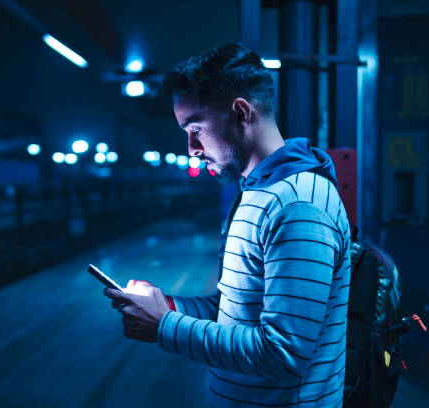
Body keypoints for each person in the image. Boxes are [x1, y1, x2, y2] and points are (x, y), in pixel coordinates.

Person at [105, 43, 352, 407]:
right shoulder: (259, 193)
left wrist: (163, 326)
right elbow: (237, 311)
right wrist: (165, 306)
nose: (191, 148)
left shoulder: (297, 205)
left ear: (240, 112)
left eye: (196, 129)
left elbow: (284, 354)